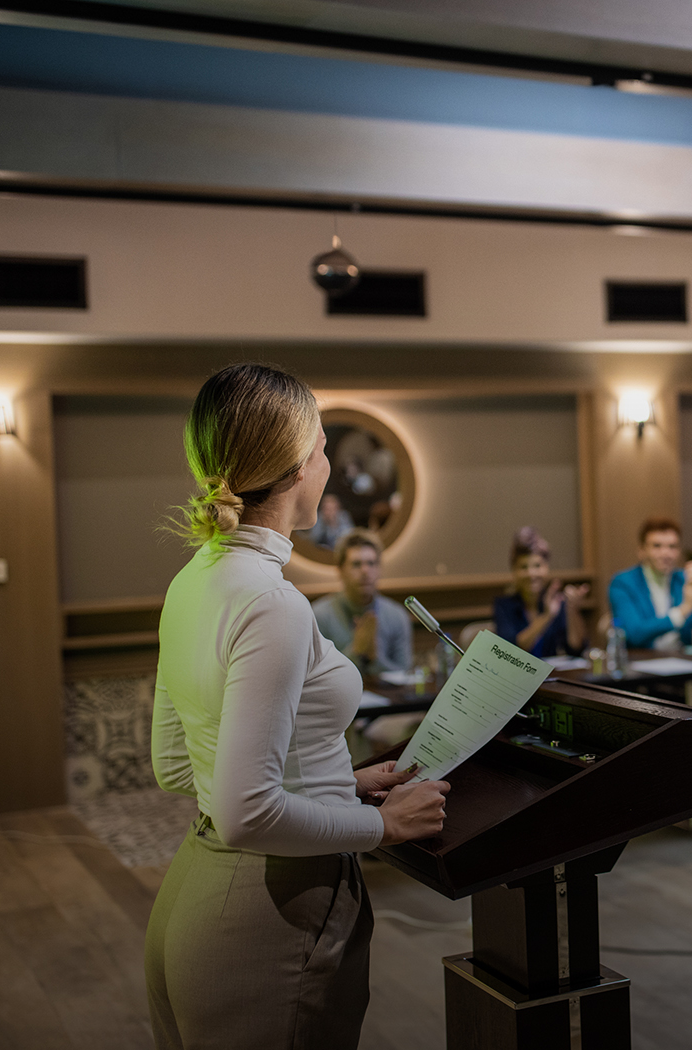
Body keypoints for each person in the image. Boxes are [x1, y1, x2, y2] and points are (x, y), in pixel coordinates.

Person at [148, 362, 448, 1050]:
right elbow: (248, 810)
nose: (325, 465)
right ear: (293, 467)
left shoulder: (194, 579)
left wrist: (338, 783)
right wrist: (386, 828)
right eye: (318, 449)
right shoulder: (273, 602)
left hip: (193, 898)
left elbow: (176, 765)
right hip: (271, 910)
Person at [608, 517, 692, 651]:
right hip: (641, 664)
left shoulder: (684, 579)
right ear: (642, 551)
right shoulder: (623, 583)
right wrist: (684, 610)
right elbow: (634, 634)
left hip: (682, 662)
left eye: (672, 547)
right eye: (657, 546)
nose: (666, 553)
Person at [312, 528, 414, 678]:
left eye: (371, 563)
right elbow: (316, 678)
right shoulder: (319, 615)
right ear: (340, 570)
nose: (365, 571)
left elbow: (405, 676)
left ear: (379, 569)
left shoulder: (396, 615)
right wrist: (356, 651)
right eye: (356, 564)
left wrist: (375, 658)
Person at [493, 526, 589, 658]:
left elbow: (575, 649)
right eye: (523, 567)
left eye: (537, 566)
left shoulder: (557, 602)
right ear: (514, 571)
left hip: (552, 677)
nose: (531, 574)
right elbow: (511, 651)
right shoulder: (504, 606)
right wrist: (547, 616)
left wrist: (572, 610)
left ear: (547, 567)